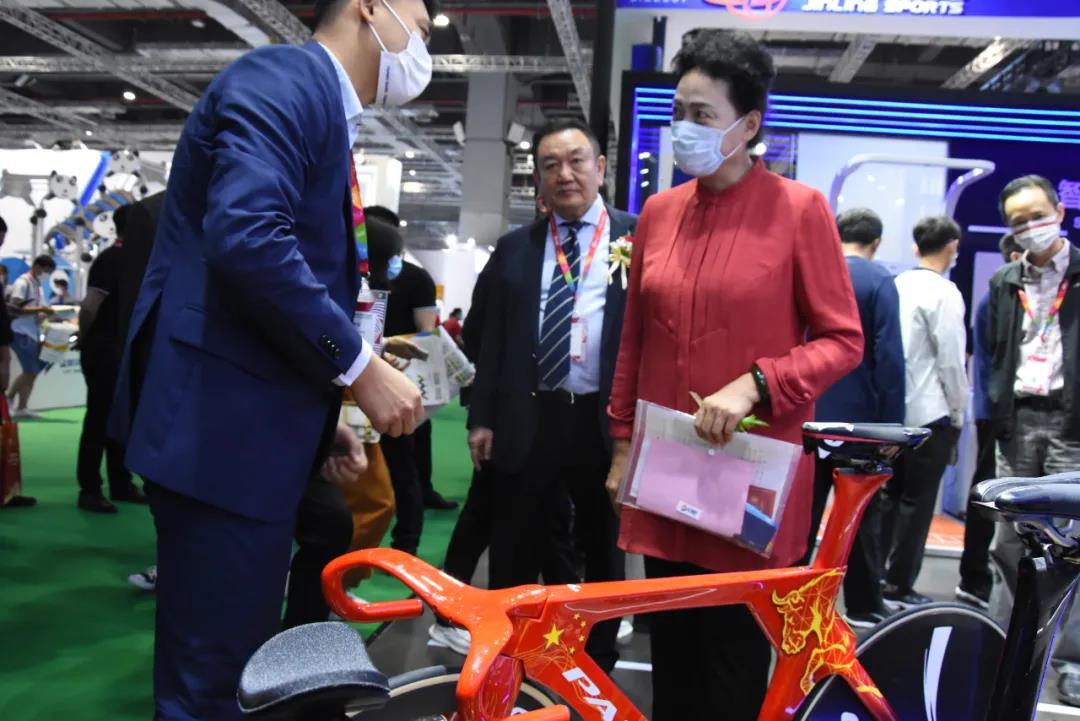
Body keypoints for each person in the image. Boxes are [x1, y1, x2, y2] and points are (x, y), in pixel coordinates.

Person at [108, 1, 431, 718]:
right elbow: (249, 237)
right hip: (218, 435)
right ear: (370, 7)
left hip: (243, 428)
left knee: (235, 668)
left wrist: (317, 416)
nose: (424, 46)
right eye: (423, 25)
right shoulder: (283, 79)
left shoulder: (318, 105)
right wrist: (359, 366)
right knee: (213, 685)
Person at [604, 30, 863, 721]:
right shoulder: (659, 213)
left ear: (748, 126)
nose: (683, 128)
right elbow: (634, 341)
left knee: (732, 670)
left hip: (749, 480)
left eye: (702, 114)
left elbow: (843, 340)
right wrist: (622, 445)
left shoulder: (800, 210)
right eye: (678, 112)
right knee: (673, 663)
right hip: (666, 473)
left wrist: (758, 382)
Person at [468, 118, 639, 673]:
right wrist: (481, 416)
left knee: (603, 544)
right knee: (514, 543)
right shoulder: (514, 248)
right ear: (538, 179)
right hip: (529, 415)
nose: (565, 174)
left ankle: (599, 662)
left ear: (600, 168)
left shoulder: (640, 238)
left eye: (576, 161)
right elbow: (488, 338)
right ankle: (510, 659)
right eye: (550, 165)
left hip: (604, 420)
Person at [986, 175, 1080, 705]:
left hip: (1072, 421)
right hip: (1018, 418)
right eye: (1017, 221)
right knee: (1009, 536)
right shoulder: (1005, 280)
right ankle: (1008, 638)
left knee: (1074, 540)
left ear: (1059, 213)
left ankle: (1067, 658)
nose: (1030, 227)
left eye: (1037, 215)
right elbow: (995, 348)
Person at [799, 207, 904, 628]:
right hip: (859, 425)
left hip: (806, 414)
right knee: (860, 515)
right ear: (875, 242)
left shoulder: (812, 270)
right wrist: (892, 430)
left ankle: (790, 594)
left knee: (800, 515)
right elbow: (889, 359)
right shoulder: (879, 280)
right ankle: (863, 603)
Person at [881, 215, 967, 608]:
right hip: (931, 412)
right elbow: (951, 360)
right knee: (916, 504)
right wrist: (958, 414)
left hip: (891, 413)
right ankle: (900, 584)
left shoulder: (895, 285)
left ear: (916, 247)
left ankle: (876, 576)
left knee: (888, 497)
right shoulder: (945, 292)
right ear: (952, 246)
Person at [956, 232, 1022, 610]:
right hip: (997, 414)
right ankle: (975, 578)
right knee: (989, 496)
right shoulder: (997, 299)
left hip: (1000, 412)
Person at [76, 205, 146, 513]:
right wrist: (86, 338)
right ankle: (90, 489)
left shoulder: (132, 260)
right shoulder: (110, 260)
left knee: (119, 417)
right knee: (99, 419)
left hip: (120, 350)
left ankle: (120, 482)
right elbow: (90, 306)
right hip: (105, 350)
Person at [6, 254, 57, 420]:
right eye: (46, 270)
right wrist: (41, 309)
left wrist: (42, 314)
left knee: (33, 372)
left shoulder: (37, 285)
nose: (46, 274)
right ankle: (8, 397)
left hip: (32, 332)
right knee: (30, 370)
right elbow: (14, 308)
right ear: (37, 266)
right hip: (19, 332)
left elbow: (34, 310)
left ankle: (22, 407)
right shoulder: (22, 283)